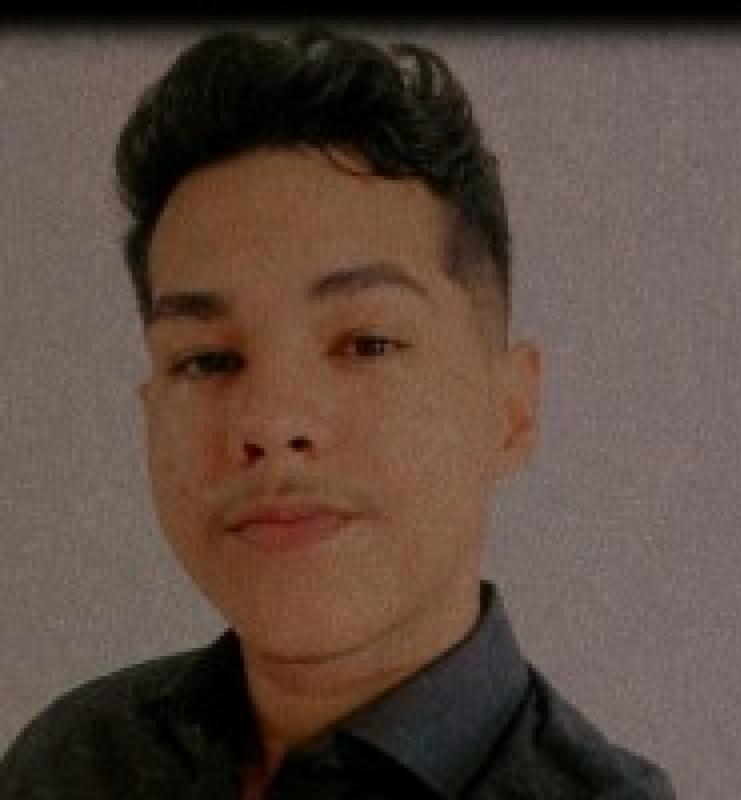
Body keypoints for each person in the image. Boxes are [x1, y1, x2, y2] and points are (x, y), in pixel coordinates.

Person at [0, 27, 674, 799]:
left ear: (511, 411)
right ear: (150, 412)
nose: (269, 421)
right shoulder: (72, 760)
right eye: (208, 359)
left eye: (366, 343)